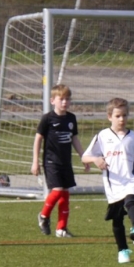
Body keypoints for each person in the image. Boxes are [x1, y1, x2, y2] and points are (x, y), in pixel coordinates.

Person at [82, 98, 134, 264]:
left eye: (124, 115)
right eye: (118, 116)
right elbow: (85, 156)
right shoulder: (102, 136)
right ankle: (122, 251)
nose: (122, 119)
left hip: (131, 180)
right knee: (117, 218)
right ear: (110, 116)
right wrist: (96, 160)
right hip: (113, 184)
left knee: (131, 201)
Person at [32, 84, 87, 237]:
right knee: (57, 191)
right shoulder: (47, 119)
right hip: (51, 162)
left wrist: (83, 156)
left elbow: (74, 138)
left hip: (66, 162)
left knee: (65, 194)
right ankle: (43, 216)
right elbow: (38, 139)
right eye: (61, 99)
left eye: (67, 99)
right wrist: (35, 161)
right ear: (52, 101)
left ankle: (61, 229)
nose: (64, 102)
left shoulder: (71, 118)